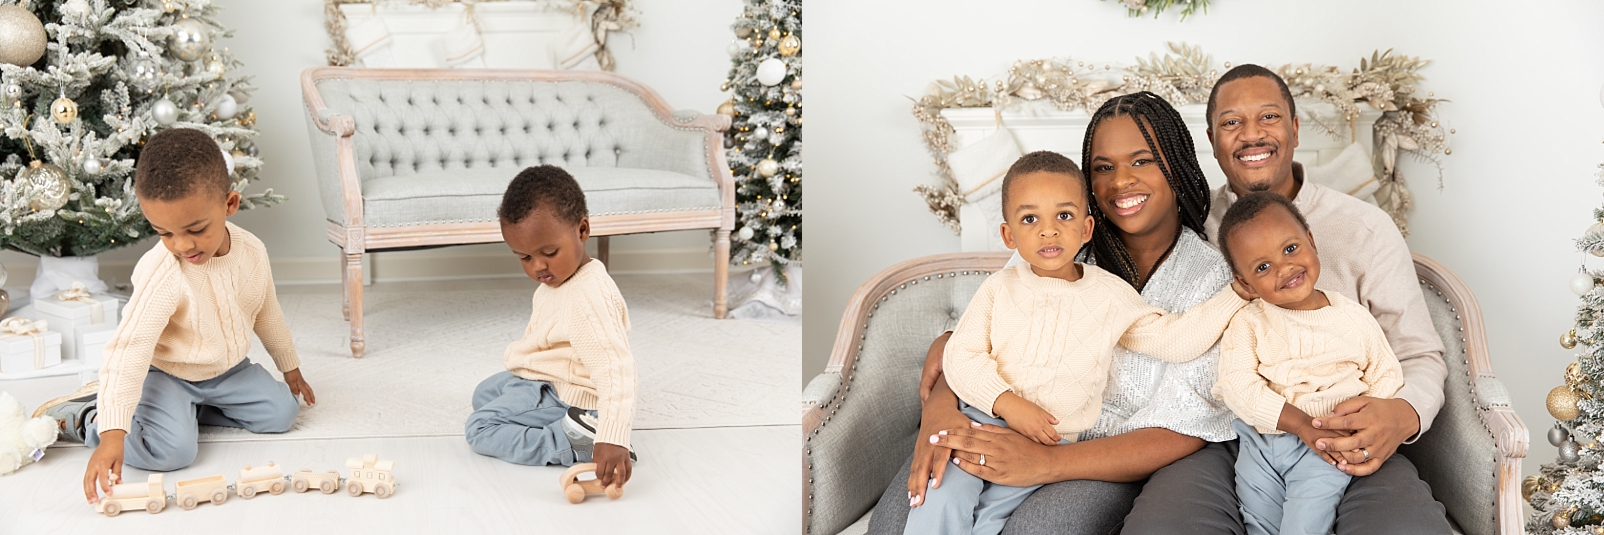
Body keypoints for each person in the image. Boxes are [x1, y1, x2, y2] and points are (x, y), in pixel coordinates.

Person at [869, 91, 1239, 535]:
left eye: (1142, 161)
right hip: (993, 418)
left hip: (1097, 455)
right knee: (903, 517)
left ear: (1176, 166)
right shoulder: (1054, 246)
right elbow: (975, 341)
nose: (1122, 181)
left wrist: (1047, 462)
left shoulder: (1209, 276)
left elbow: (1186, 405)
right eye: (1103, 167)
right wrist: (941, 411)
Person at [1197, 64, 1450, 533]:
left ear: (1295, 129)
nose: (1251, 135)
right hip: (1226, 438)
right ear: (1212, 141)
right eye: (1231, 122)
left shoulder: (1364, 228)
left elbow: (1416, 353)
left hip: (1346, 429)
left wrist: (1400, 412)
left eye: (1268, 117)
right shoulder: (1194, 227)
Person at [31, 128, 314, 505]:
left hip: (227, 369)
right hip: (168, 374)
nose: (182, 245)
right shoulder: (162, 273)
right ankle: (88, 418)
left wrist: (289, 366)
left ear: (230, 204)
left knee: (282, 414)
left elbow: (266, 311)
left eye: (196, 229)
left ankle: (186, 412)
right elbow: (129, 351)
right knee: (173, 453)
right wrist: (114, 433)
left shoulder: (252, 252)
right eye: (164, 233)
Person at [1213, 191, 1403, 535]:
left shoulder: (1351, 317)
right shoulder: (1249, 322)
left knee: (1305, 521)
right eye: (1262, 267)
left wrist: (1359, 424)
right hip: (1263, 439)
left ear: (1311, 241)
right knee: (1257, 518)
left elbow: (1385, 372)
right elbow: (1236, 385)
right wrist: (1297, 422)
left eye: (1290, 249)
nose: (1285, 268)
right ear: (1245, 283)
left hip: (1329, 440)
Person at [464, 165, 637, 492]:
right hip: (548, 374)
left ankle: (572, 441)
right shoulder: (561, 277)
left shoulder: (589, 297)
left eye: (549, 253)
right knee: (484, 393)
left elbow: (617, 370)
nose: (538, 266)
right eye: (524, 257)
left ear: (582, 229)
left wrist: (613, 437)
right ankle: (567, 422)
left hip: (565, 392)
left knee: (480, 426)